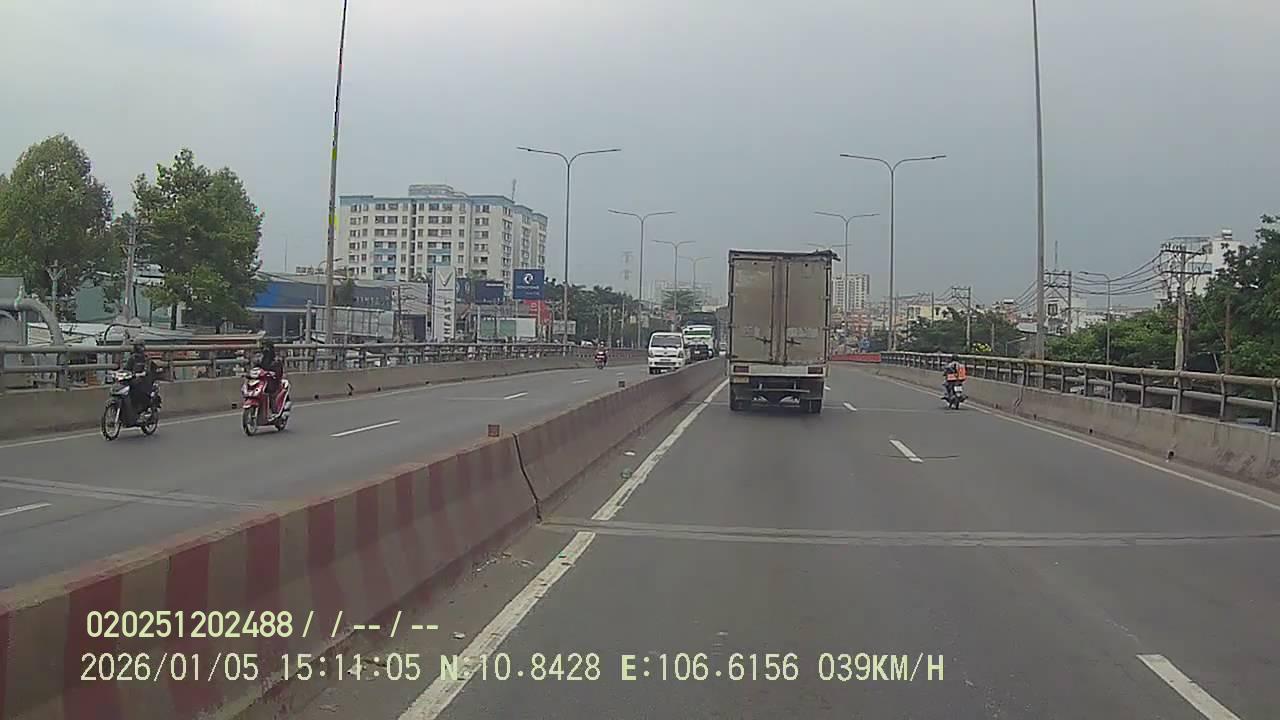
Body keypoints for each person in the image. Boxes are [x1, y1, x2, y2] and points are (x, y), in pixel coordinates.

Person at [124, 339, 159, 415]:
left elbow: (148, 370)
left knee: (141, 391)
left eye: (139, 346)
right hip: (133, 379)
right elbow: (126, 369)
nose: (138, 348)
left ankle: (143, 410)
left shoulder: (146, 358)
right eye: (136, 346)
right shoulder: (132, 358)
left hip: (144, 381)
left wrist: (143, 373)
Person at [255, 339, 286, 415]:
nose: (265, 350)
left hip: (272, 380)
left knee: (270, 391)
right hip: (262, 380)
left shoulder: (275, 359)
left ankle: (274, 411)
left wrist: (273, 373)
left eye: (266, 347)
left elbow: (278, 371)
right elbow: (257, 367)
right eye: (264, 347)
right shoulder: (261, 358)